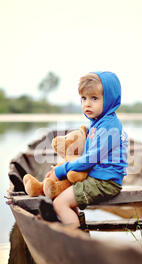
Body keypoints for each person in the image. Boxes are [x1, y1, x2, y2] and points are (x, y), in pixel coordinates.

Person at [48, 71, 129, 226]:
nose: (87, 104)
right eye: (83, 98)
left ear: (110, 100)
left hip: (105, 182)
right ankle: (79, 227)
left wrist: (60, 171)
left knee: (60, 204)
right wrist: (62, 168)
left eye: (94, 98)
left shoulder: (109, 127)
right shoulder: (98, 123)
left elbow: (91, 158)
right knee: (64, 193)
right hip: (98, 176)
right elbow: (86, 157)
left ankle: (76, 240)